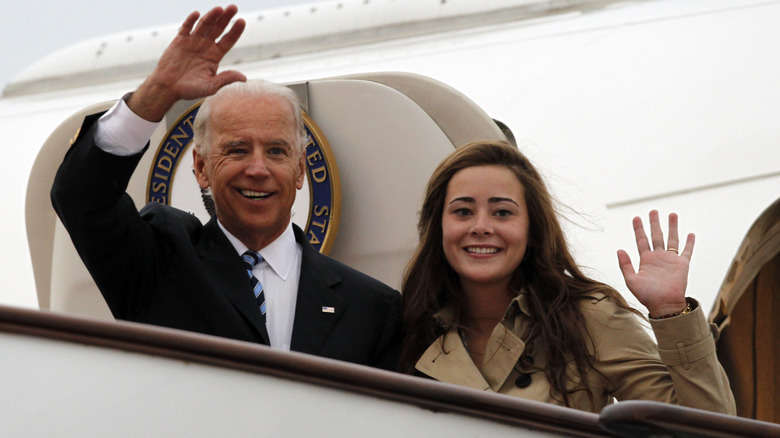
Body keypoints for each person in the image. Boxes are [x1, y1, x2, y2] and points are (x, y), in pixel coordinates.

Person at [50, 5, 401, 371]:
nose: (257, 169)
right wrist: (156, 94)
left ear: (300, 170)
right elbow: (81, 196)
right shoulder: (159, 264)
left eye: (277, 151)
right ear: (201, 168)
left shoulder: (372, 307)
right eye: (237, 150)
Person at [398, 140, 736, 413]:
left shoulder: (587, 316)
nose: (481, 226)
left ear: (532, 228)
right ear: (438, 226)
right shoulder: (407, 326)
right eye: (462, 211)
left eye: (502, 212)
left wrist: (670, 313)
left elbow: (710, 428)